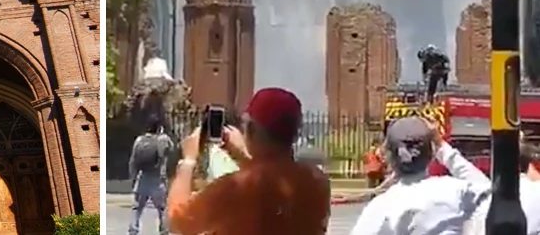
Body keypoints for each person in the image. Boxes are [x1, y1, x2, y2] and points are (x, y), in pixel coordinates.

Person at [166, 88, 331, 235]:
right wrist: (244, 157)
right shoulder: (318, 183)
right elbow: (269, 182)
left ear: (251, 130)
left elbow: (180, 221)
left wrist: (188, 161)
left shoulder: (234, 188)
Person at [350, 116, 491, 234]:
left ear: (389, 157)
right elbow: (488, 189)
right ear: (432, 154)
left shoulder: (380, 207)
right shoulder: (454, 191)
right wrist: (442, 146)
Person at [128, 116, 174, 235]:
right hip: (157, 180)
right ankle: (164, 231)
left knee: (137, 208)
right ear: (159, 128)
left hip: (142, 178)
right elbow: (172, 149)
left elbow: (133, 162)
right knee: (162, 209)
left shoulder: (139, 140)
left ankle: (133, 231)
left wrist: (134, 179)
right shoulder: (162, 140)